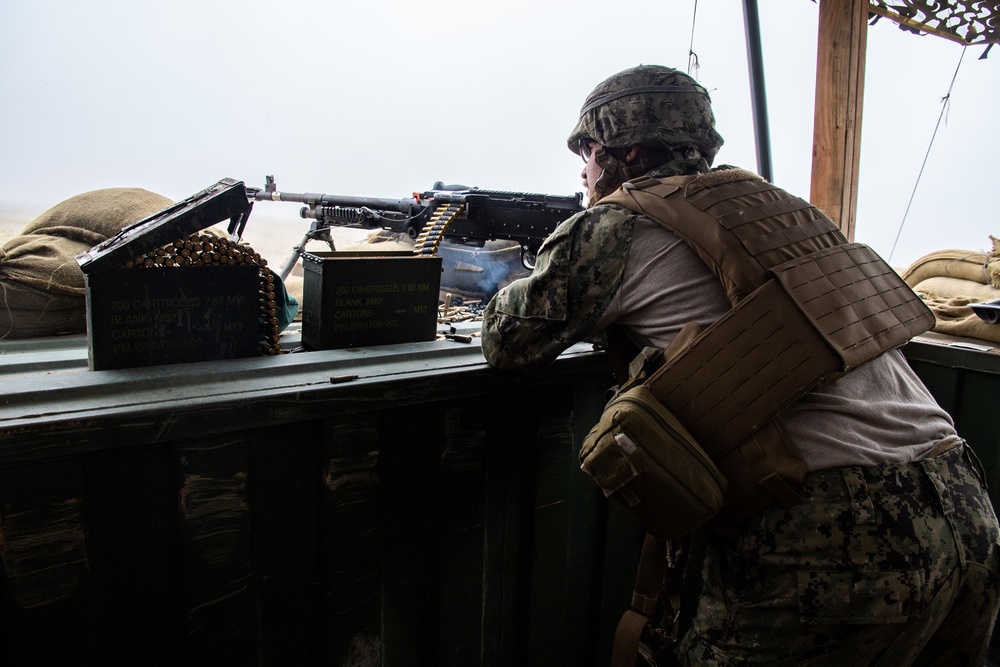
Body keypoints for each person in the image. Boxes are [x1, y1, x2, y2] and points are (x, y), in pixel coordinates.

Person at [480, 64, 1000, 666]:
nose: (584, 170)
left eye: (590, 152)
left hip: (840, 533)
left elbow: (506, 339)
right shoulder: (779, 207)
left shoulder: (615, 224)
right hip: (965, 506)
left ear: (626, 151)